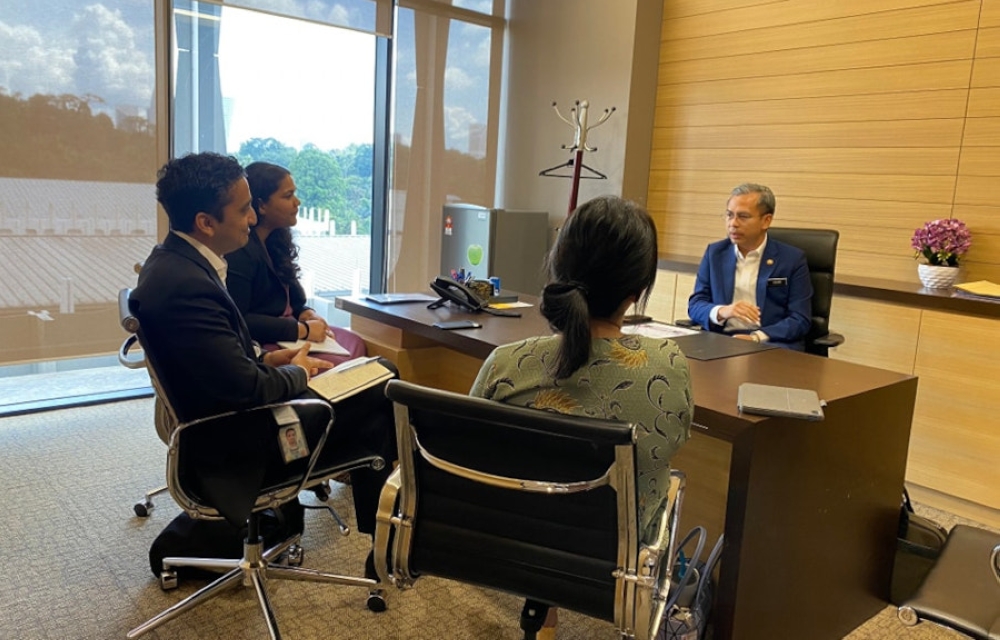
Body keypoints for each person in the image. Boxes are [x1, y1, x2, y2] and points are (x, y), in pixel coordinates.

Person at [130, 152, 396, 581]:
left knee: (374, 377)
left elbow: (221, 361)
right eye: (244, 208)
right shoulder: (189, 286)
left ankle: (382, 534)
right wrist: (298, 373)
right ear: (206, 222)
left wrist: (273, 358)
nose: (253, 218)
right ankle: (384, 545)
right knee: (382, 393)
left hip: (224, 420)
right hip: (238, 442)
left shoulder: (176, 264)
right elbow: (247, 389)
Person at [470, 195, 693, 640]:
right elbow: (674, 438)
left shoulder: (506, 364)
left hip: (518, 536)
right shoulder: (668, 365)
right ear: (635, 293)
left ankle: (543, 614)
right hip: (617, 549)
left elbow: (468, 449)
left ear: (559, 269)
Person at [226, 161, 366, 364]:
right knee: (341, 363)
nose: (297, 202)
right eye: (287, 196)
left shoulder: (277, 242)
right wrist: (303, 330)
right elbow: (241, 319)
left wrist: (308, 314)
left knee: (355, 343)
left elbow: (296, 302)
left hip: (295, 333)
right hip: (268, 340)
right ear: (262, 205)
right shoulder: (240, 251)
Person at [687, 183, 813, 349]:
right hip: (721, 341)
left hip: (770, 344)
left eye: (743, 217)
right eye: (729, 215)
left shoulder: (792, 260)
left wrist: (756, 337)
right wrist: (722, 311)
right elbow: (696, 305)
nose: (733, 223)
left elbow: (800, 319)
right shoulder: (715, 253)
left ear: (766, 221)